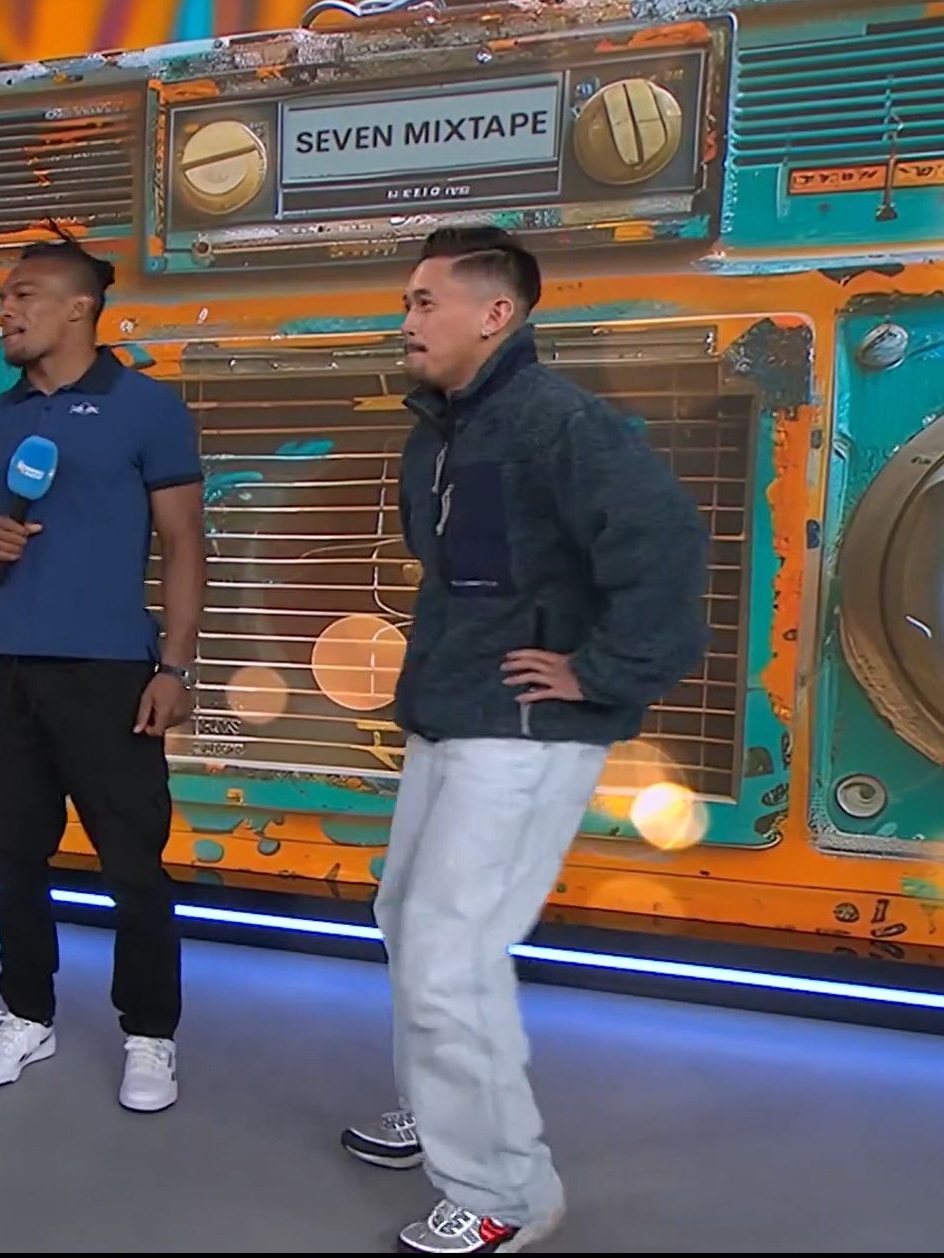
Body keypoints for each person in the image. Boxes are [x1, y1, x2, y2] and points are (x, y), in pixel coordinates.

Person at [341, 226, 708, 1256]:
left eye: (424, 302)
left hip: (525, 733)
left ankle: (502, 1190)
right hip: (453, 713)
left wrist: (601, 672)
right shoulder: (444, 430)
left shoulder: (561, 424)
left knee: (450, 953)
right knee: (407, 918)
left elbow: (667, 546)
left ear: (495, 314)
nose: (406, 320)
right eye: (407, 302)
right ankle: (439, 1110)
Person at [0, 237, 205, 1113]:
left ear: (77, 307)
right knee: (10, 852)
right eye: (2, 297)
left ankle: (149, 1033)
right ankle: (27, 1012)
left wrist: (175, 665)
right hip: (11, 671)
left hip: (112, 675)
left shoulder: (148, 409)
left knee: (132, 865)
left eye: (22, 295)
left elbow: (183, 542)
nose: (4, 311)